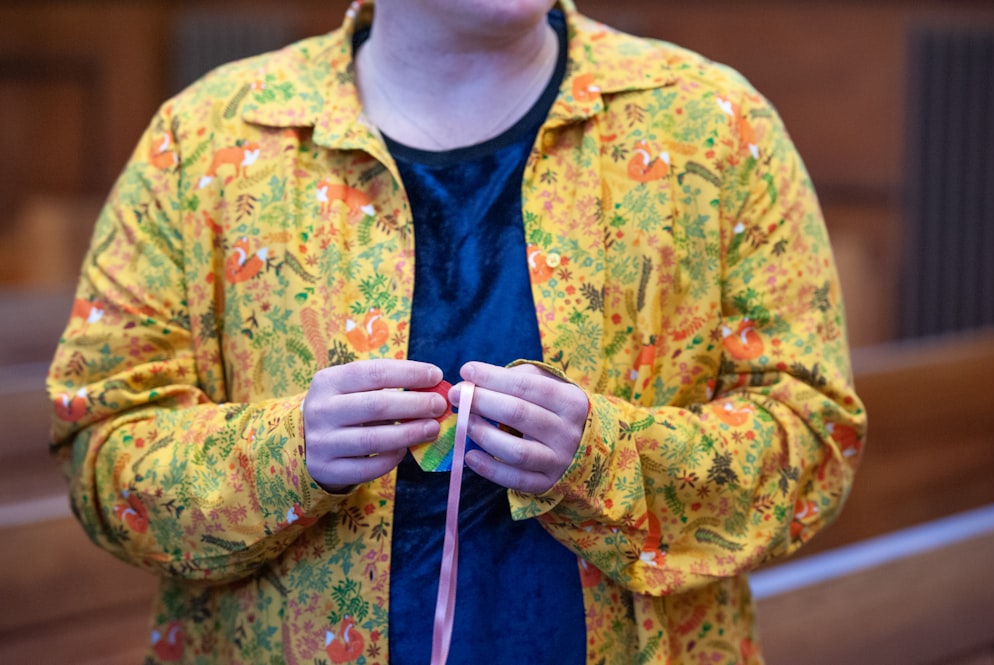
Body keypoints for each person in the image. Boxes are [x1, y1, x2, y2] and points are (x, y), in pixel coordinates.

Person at [47, 0, 866, 663]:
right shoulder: (207, 141)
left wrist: (603, 456)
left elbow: (813, 436)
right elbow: (104, 450)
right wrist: (289, 451)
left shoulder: (712, 128)